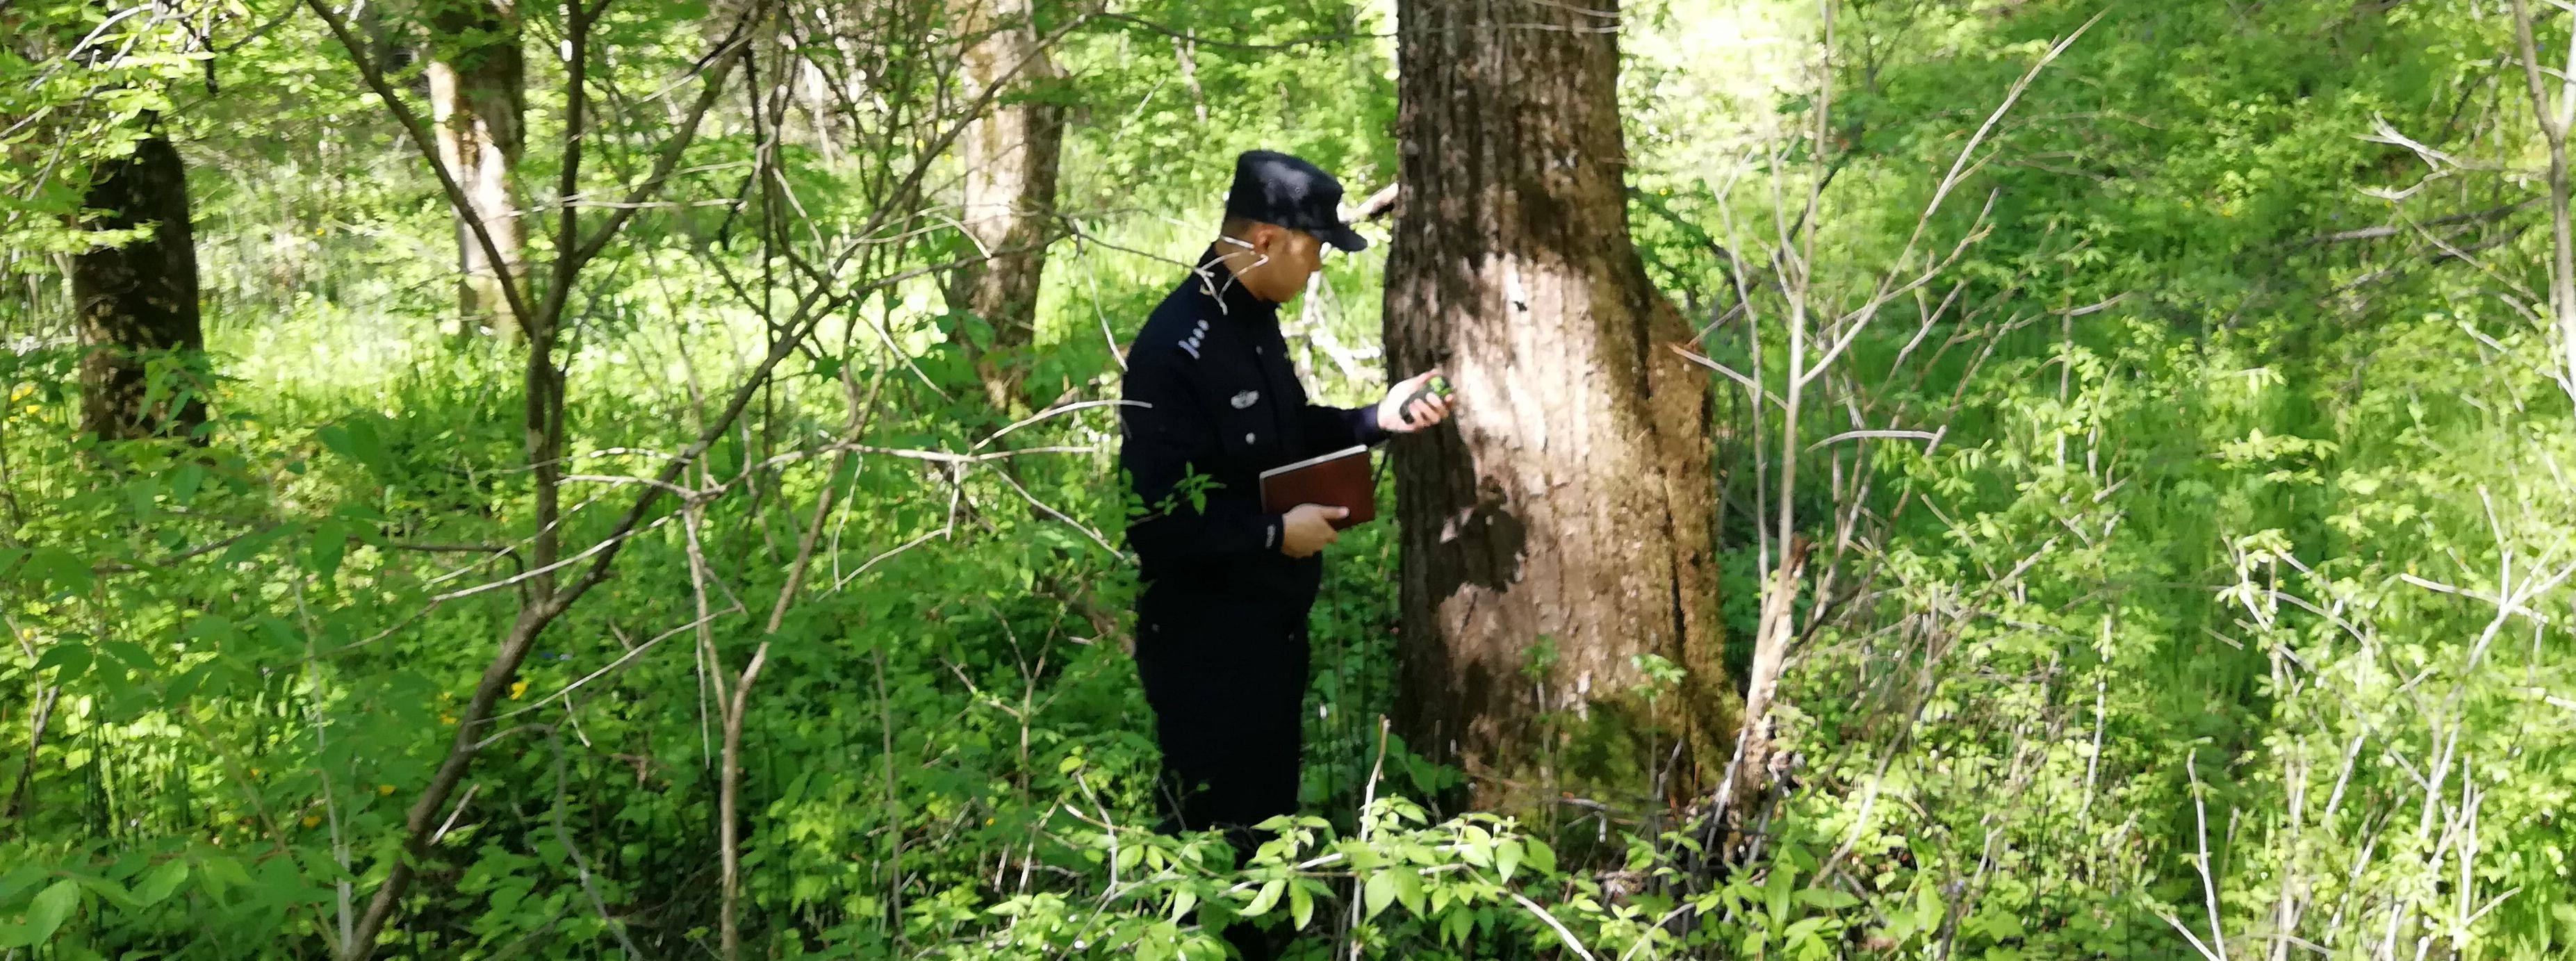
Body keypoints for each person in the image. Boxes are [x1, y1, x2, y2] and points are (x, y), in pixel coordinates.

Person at [1118, 150, 1452, 860]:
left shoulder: (1252, 315)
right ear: (1266, 241)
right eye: (1315, 248)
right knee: (1210, 841)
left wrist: (1374, 419)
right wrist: (1271, 534)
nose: (1320, 267)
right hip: (1205, 643)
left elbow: (1287, 434)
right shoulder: (1175, 348)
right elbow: (1153, 521)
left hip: (1271, 630)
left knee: (1268, 827)